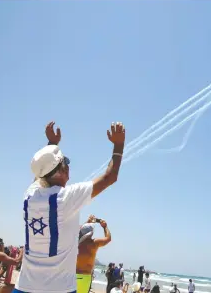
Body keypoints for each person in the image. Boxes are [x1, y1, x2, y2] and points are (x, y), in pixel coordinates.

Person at [14, 121, 125, 293]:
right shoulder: (66, 197)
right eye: (66, 162)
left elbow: (42, 174)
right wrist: (119, 145)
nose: (68, 165)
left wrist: (52, 145)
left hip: (24, 286)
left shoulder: (29, 195)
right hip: (59, 289)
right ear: (61, 171)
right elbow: (110, 177)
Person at [77, 215, 112, 293]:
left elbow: (80, 231)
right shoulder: (94, 243)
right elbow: (108, 238)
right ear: (91, 233)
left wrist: (87, 222)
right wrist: (105, 227)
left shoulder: (76, 242)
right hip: (85, 277)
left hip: (72, 275)